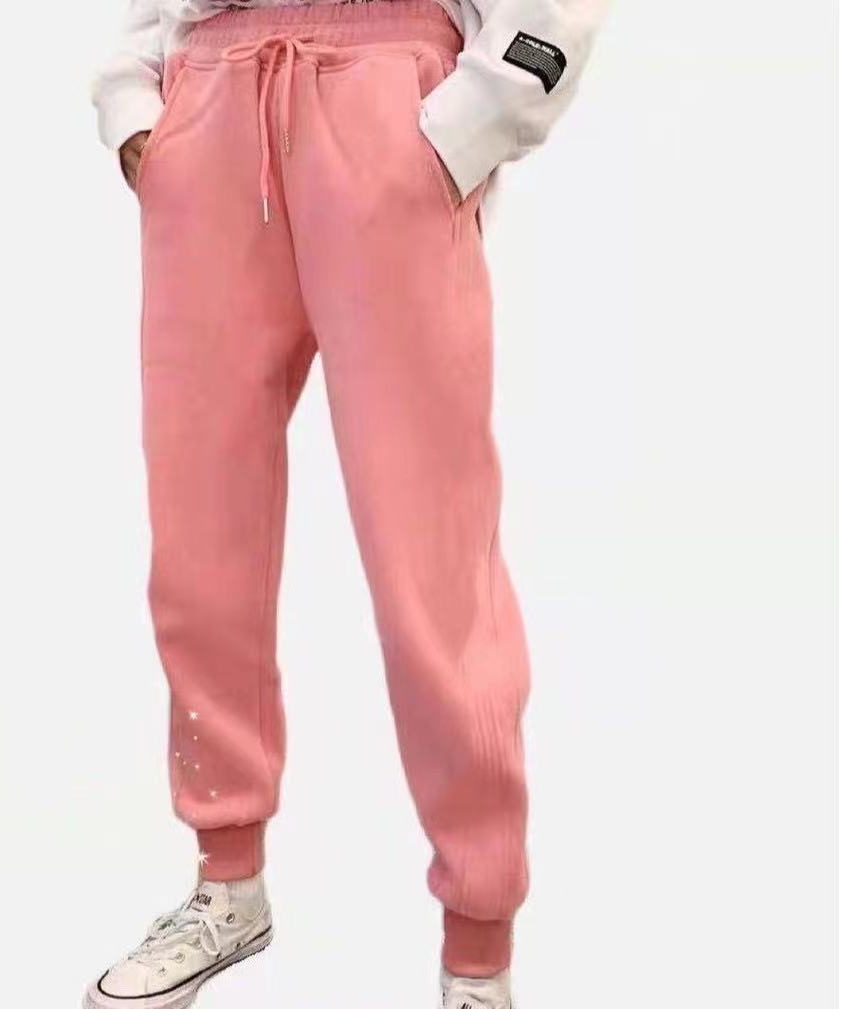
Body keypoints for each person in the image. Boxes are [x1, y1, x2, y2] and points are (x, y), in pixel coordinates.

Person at [86, 0, 600, 1004]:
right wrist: (136, 108)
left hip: (388, 104)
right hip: (210, 109)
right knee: (198, 531)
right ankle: (227, 879)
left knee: (428, 546)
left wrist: (464, 125)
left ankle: (477, 940)